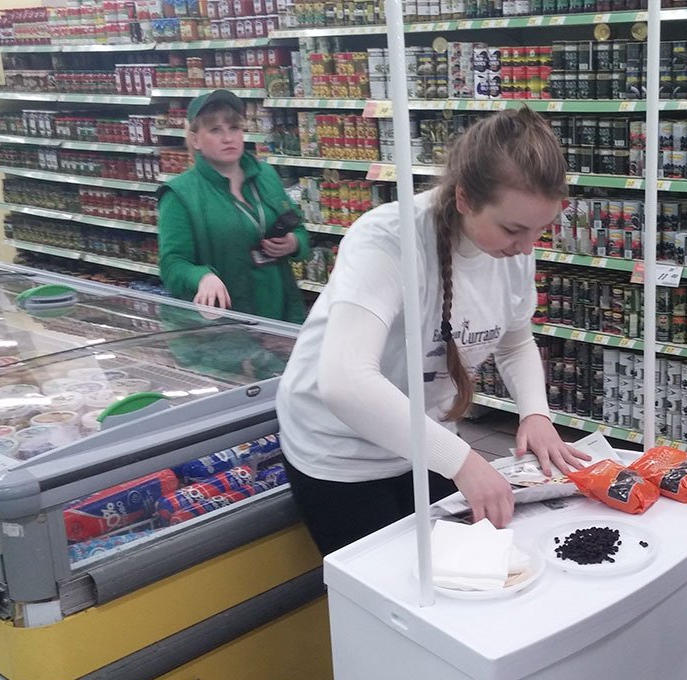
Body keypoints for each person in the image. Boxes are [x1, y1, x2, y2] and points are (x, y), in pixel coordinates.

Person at [276, 108, 588, 555]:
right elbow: (344, 382)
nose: (526, 248)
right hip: (342, 454)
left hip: (425, 440)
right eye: (513, 229)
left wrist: (535, 414)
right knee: (391, 587)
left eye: (541, 230)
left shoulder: (513, 251)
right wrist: (463, 463)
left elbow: (516, 342)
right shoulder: (387, 240)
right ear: (464, 198)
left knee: (461, 570)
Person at [158, 89, 311, 324]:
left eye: (234, 128)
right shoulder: (180, 194)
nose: (228, 138)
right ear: (196, 140)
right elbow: (172, 264)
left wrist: (294, 243)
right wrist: (202, 277)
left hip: (280, 316)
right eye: (215, 130)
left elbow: (298, 227)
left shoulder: (266, 176)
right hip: (220, 326)